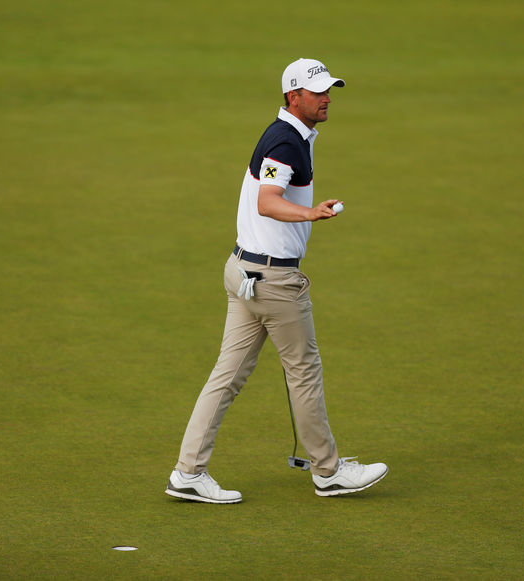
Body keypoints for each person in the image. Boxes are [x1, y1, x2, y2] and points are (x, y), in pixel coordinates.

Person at [165, 58, 388, 504]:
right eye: (318, 91)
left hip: (245, 272)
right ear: (293, 96)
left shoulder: (287, 136)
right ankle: (328, 472)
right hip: (273, 281)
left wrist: (306, 209)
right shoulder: (286, 143)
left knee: (226, 377)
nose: (327, 97)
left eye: (330, 90)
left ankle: (187, 472)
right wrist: (310, 213)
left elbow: (271, 195)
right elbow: (269, 201)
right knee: (304, 372)